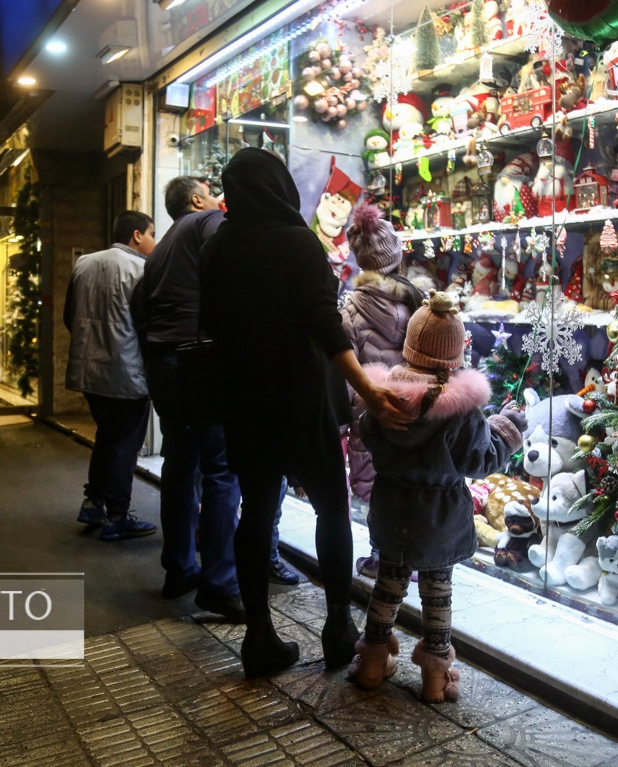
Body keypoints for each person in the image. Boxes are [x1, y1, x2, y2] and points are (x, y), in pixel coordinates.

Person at [199, 148, 411, 679]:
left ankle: (260, 636)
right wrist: (366, 385)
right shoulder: (296, 240)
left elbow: (210, 323)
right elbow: (323, 323)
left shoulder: (219, 245)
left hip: (244, 399)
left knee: (256, 508)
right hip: (301, 398)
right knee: (330, 509)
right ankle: (339, 625)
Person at [348, 291, 525, 703]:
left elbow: (368, 437)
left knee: (387, 586)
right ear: (456, 353)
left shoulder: (383, 397)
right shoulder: (461, 410)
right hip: (440, 517)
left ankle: (372, 664)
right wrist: (506, 429)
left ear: (410, 347)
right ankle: (435, 679)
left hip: (391, 510)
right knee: (437, 592)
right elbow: (479, 462)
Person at [130, 176, 244, 622]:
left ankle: (179, 569)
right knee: (221, 471)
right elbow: (230, 269)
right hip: (200, 361)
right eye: (210, 189)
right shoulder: (209, 221)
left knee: (180, 466)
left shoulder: (159, 254)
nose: (219, 195)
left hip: (165, 363)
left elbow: (139, 307)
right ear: (196, 200)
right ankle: (219, 583)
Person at [339, 202, 425, 579]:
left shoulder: (350, 311)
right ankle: (416, 556)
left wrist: (347, 419)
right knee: (412, 483)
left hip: (371, 414)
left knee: (376, 487)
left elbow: (346, 373)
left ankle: (381, 558)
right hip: (416, 410)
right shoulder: (418, 302)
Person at [64, 210, 158, 542]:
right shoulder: (142, 269)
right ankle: (117, 516)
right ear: (136, 235)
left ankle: (93, 502)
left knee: (107, 436)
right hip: (126, 372)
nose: (154, 241)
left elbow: (68, 316)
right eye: (151, 234)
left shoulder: (84, 263)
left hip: (88, 370)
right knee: (124, 444)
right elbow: (148, 326)